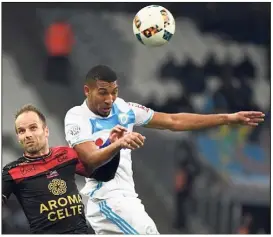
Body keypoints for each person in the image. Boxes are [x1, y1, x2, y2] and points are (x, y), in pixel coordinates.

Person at [64, 65, 265, 235]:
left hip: (127, 198)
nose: (109, 99)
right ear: (86, 91)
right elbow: (90, 158)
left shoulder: (125, 109)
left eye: (114, 92)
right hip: (107, 199)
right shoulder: (76, 117)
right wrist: (117, 143)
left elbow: (173, 120)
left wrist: (227, 118)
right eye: (102, 92)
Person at [2, 104, 145, 234]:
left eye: (33, 128)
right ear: (18, 137)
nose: (27, 135)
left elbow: (104, 175)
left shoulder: (66, 154)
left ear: (46, 131)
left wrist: (112, 144)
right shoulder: (12, 171)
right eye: (21, 131)